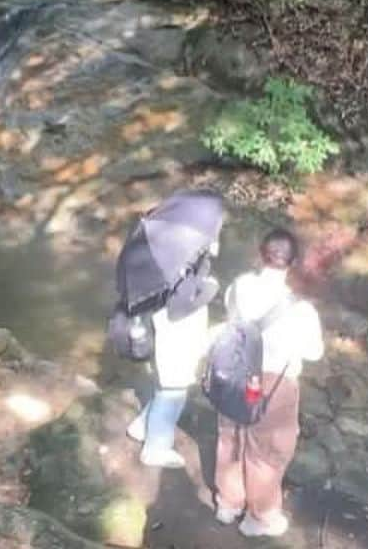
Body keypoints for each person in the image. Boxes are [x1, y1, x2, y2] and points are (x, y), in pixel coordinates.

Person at [213, 228, 324, 538]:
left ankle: (228, 503)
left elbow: (231, 321)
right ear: (293, 262)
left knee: (230, 436)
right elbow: (314, 353)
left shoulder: (237, 287)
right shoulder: (302, 310)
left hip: (234, 373)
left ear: (260, 253)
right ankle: (259, 517)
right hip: (275, 383)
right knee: (267, 450)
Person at [126, 245, 219, 468]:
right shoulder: (191, 294)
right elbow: (204, 294)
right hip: (177, 358)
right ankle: (155, 450)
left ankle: (140, 427)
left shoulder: (161, 279)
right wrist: (207, 275)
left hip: (159, 350)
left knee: (161, 390)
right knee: (171, 399)